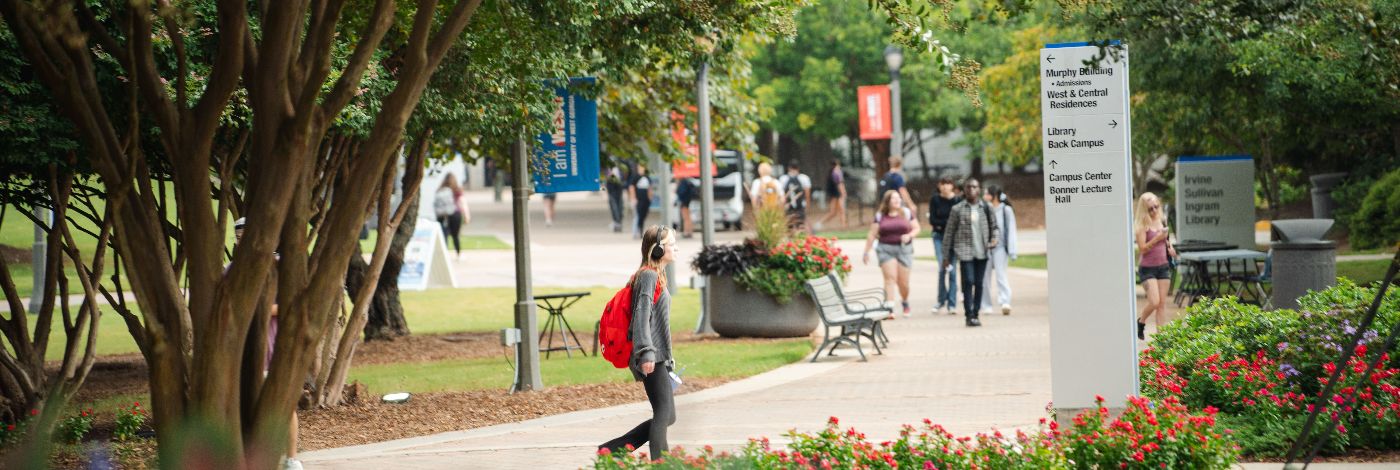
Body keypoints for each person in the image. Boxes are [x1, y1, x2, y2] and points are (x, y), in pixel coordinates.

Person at [599, 225, 678, 458]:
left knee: (668, 415)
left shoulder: (655, 276)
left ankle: (612, 449)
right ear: (658, 249)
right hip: (651, 356)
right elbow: (641, 316)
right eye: (672, 244)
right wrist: (646, 352)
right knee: (663, 414)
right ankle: (660, 463)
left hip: (658, 355)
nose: (676, 248)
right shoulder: (648, 276)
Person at [232, 218, 302, 470]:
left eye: (245, 237)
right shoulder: (232, 270)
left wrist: (255, 309)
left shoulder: (280, 268)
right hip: (244, 352)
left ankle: (291, 459)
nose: (242, 243)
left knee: (284, 406)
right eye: (238, 238)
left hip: (275, 350)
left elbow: (289, 305)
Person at [941, 178, 999, 327]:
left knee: (979, 283)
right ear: (964, 190)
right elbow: (949, 233)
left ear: (979, 189)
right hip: (965, 251)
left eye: (974, 187)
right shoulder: (957, 209)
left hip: (982, 252)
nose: (971, 189)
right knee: (968, 281)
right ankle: (968, 314)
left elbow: (994, 227)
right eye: (968, 187)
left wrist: (994, 239)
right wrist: (945, 256)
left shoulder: (986, 207)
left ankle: (976, 313)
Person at [862, 190, 921, 318]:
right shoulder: (880, 216)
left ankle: (905, 301)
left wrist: (909, 235)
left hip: (904, 250)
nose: (897, 200)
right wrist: (866, 252)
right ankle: (889, 308)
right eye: (893, 198)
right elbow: (872, 234)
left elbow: (917, 228)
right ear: (887, 201)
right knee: (890, 278)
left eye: (898, 198)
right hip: (885, 249)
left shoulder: (906, 213)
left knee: (903, 283)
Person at [1135, 192, 1176, 340]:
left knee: (1161, 304)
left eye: (1156, 206)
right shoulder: (1142, 225)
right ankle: (1141, 321)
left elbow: (1166, 241)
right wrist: (1157, 238)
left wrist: (1171, 249)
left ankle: (1161, 341)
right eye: (1150, 208)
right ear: (1144, 210)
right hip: (1148, 269)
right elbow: (1142, 249)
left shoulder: (1162, 220)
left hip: (1163, 266)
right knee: (1154, 301)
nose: (1154, 210)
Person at [980, 184, 1018, 316]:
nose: (984, 196)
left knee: (1001, 275)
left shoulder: (1006, 210)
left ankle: (1005, 301)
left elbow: (1011, 230)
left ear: (994, 195)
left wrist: (1012, 251)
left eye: (987, 194)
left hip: (1000, 248)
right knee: (984, 278)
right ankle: (986, 305)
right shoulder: (983, 208)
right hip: (986, 249)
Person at [927, 177, 960, 315]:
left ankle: (952, 303)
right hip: (939, 237)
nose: (945, 187)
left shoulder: (957, 200)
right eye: (943, 184)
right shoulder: (935, 200)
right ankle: (941, 300)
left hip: (954, 239)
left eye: (948, 184)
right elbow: (933, 220)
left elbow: (958, 220)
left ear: (952, 186)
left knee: (952, 271)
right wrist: (946, 223)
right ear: (939, 186)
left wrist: (944, 223)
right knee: (942, 267)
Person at [433, 174, 470, 260]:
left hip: (442, 216)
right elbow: (463, 203)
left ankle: (444, 255)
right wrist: (466, 216)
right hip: (455, 215)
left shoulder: (440, 190)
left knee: (444, 235)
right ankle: (458, 254)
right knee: (455, 235)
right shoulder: (457, 190)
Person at [777, 162, 811, 231]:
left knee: (789, 225)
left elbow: (781, 194)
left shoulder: (783, 178)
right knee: (800, 225)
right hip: (801, 205)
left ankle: (790, 236)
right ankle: (800, 235)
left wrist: (781, 206)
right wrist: (808, 205)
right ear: (798, 168)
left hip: (788, 205)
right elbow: (807, 194)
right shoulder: (804, 178)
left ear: (788, 168)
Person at [817, 158, 847, 230]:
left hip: (834, 194)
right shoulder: (837, 172)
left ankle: (820, 223)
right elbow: (840, 184)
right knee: (841, 211)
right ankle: (844, 226)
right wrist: (843, 192)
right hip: (838, 194)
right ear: (837, 164)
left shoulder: (831, 172)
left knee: (834, 212)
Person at [629, 164, 653, 239]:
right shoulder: (635, 177)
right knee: (637, 216)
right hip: (638, 199)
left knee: (643, 215)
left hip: (645, 200)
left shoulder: (647, 177)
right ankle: (635, 232)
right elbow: (631, 187)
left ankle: (640, 231)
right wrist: (633, 198)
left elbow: (650, 188)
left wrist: (650, 198)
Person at [605, 166, 626, 232]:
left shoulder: (620, 170)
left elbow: (623, 179)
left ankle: (618, 223)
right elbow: (607, 181)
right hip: (611, 192)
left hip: (619, 191)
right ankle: (617, 223)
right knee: (614, 208)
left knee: (620, 207)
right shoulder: (609, 170)